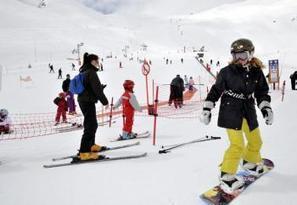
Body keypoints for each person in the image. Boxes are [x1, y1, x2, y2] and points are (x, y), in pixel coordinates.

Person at [200, 38, 273, 194]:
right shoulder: (227, 72)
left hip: (248, 108)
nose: (239, 59)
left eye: (243, 55)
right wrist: (207, 107)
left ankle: (249, 161)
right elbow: (216, 90)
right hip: (230, 110)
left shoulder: (256, 72)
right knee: (237, 145)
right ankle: (226, 174)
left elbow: (261, 92)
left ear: (251, 54)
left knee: (256, 140)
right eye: (236, 56)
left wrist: (266, 108)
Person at [77, 52, 108, 161]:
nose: (98, 63)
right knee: (90, 125)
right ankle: (84, 152)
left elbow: (90, 88)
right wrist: (105, 101)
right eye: (96, 61)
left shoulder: (85, 71)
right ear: (92, 62)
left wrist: (99, 89)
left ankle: (91, 145)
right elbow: (97, 90)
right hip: (87, 101)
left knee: (92, 124)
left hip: (85, 100)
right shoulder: (91, 72)